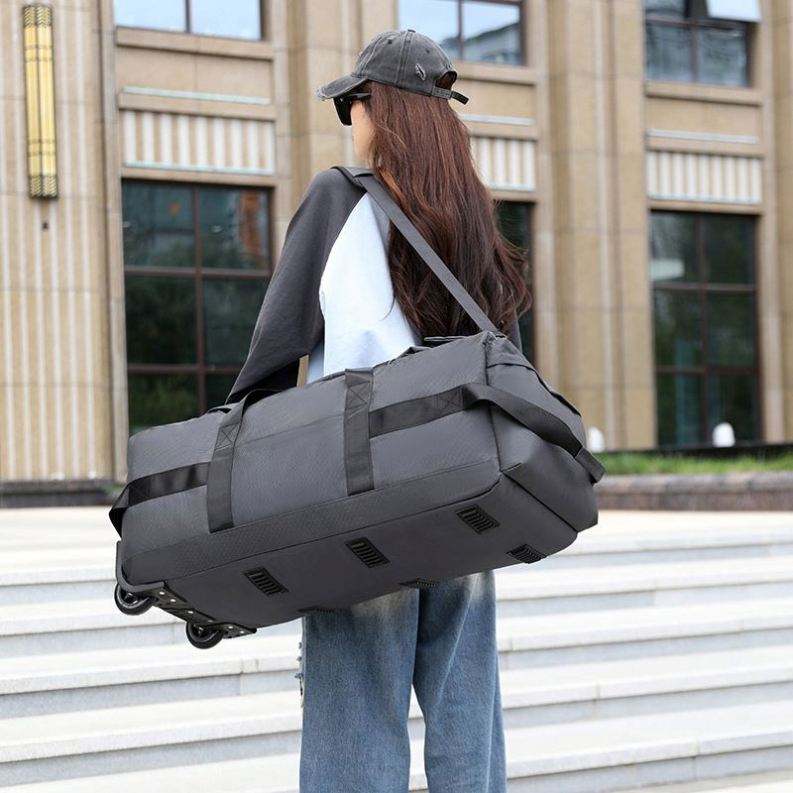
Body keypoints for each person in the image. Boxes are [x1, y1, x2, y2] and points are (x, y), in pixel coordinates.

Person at [227, 28, 530, 793]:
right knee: (467, 710)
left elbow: (275, 349)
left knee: (356, 710)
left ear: (377, 107)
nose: (350, 122)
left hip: (361, 493)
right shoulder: (474, 220)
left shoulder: (338, 199)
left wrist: (240, 474)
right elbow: (507, 364)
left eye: (351, 105)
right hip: (465, 495)